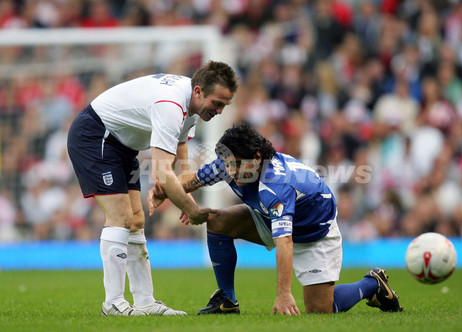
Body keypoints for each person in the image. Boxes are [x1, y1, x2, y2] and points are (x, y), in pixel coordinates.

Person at [149, 123, 403, 315]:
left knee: (320, 310)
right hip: (269, 218)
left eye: (237, 165)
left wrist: (283, 294)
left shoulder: (275, 185)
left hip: (314, 232)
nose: (231, 172)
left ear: (257, 158)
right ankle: (227, 300)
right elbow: (189, 181)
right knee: (217, 222)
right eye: (227, 164)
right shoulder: (229, 165)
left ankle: (372, 284)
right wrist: (162, 192)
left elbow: (285, 242)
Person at [67, 61, 239, 316]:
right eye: (217, 103)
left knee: (136, 220)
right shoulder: (170, 105)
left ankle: (145, 301)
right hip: (95, 136)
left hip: (123, 145)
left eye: (225, 105)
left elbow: (179, 154)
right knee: (121, 217)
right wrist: (192, 210)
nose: (220, 111)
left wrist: (180, 190)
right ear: (200, 91)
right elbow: (161, 171)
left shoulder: (191, 102)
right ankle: (113, 303)